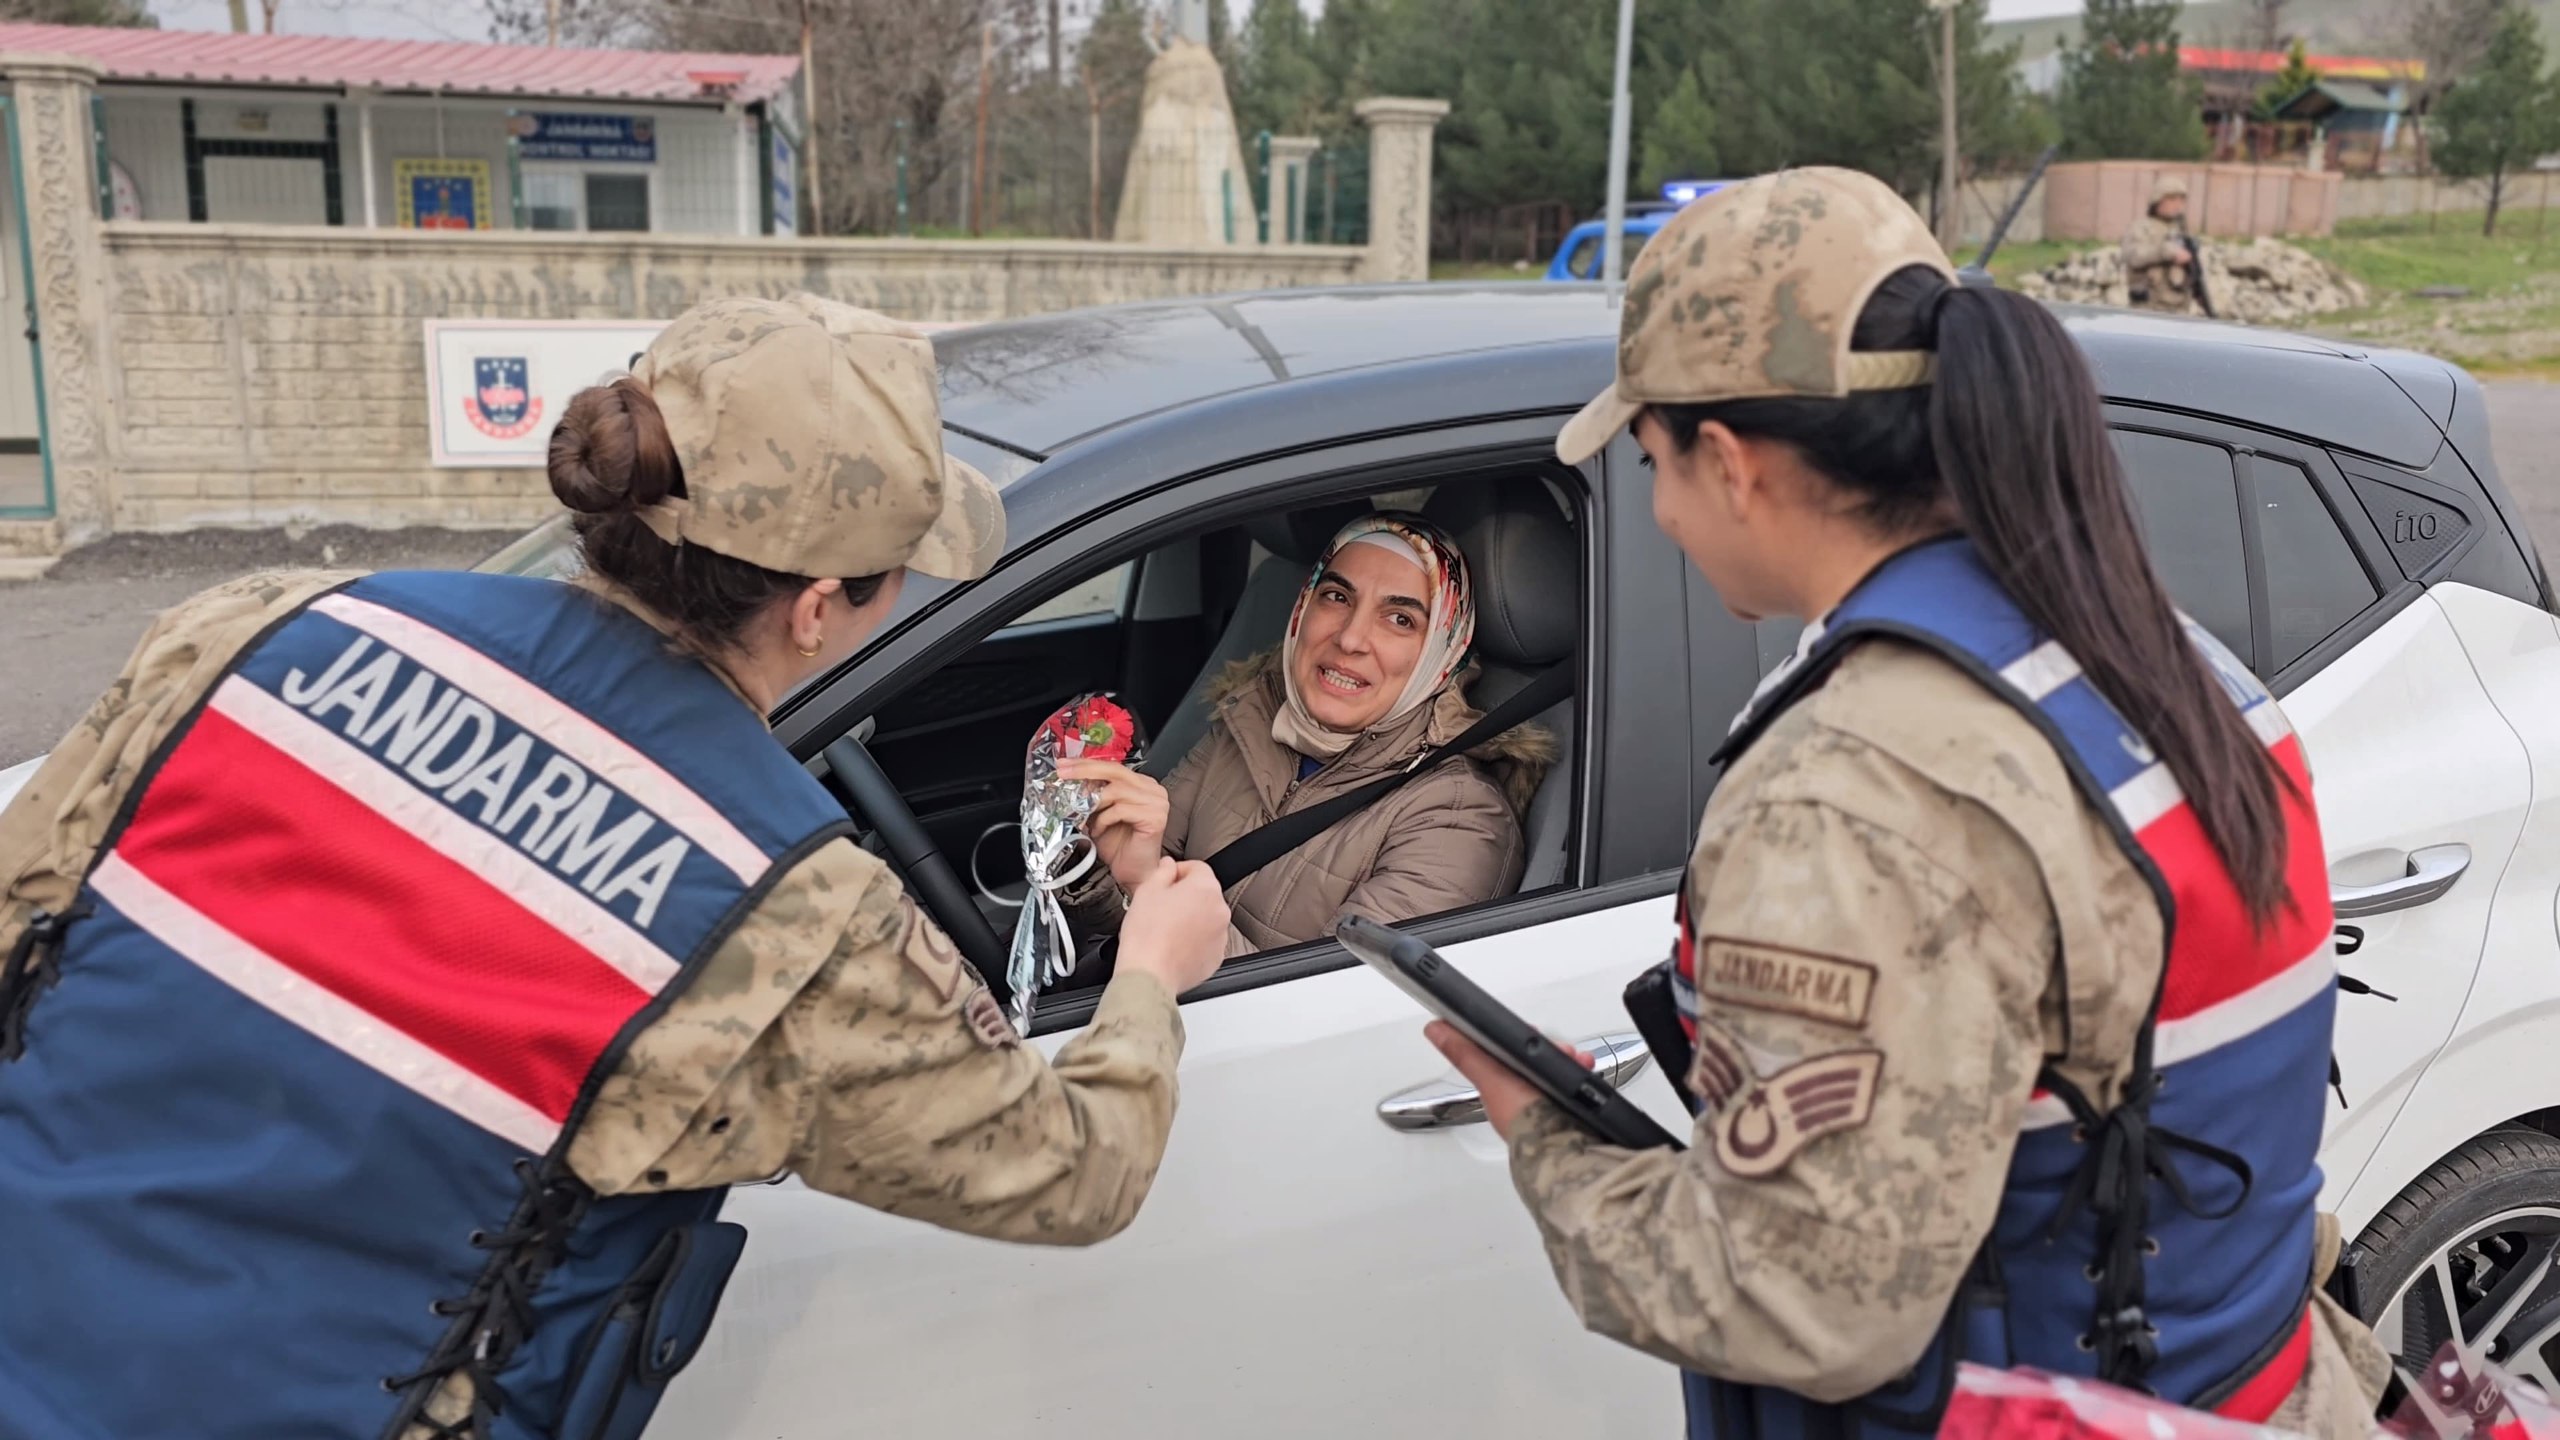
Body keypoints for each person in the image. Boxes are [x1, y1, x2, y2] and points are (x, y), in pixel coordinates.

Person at [0, 294, 1234, 1440]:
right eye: (902, 569)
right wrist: (1149, 975)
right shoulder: (787, 919)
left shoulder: (263, 627)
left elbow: (29, 927)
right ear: (817, 608)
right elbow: (1073, 1169)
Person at [1424, 169, 2388, 1435]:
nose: (1655, 511)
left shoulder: (1853, 789)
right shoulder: (2152, 653)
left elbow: (1803, 1306)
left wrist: (1546, 1147)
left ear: (1730, 463)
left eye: (1652, 462)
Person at [1059, 513, 1550, 957]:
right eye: (1337, 597)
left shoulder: (1458, 822)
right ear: (1302, 609)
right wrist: (1096, 864)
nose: (1351, 638)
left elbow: (1315, 1019)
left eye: (1400, 619)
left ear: (1441, 653)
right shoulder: (1250, 719)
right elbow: (1124, 895)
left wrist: (1147, 886)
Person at [2123, 175, 2203, 314]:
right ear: (2157, 200)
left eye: (2181, 200)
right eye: (2172, 199)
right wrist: (2165, 252)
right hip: (2147, 308)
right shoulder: (2141, 228)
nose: (2178, 205)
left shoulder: (2182, 232)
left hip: (2178, 310)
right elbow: (2133, 256)